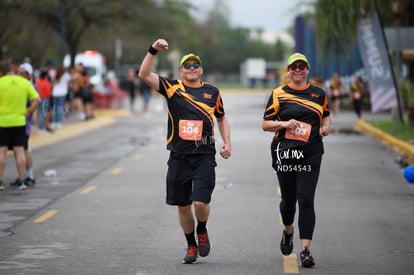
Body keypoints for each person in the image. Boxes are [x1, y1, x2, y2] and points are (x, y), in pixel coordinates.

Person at [138, 38, 231, 264]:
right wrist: (153, 50)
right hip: (178, 156)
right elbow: (143, 74)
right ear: (181, 71)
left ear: (201, 70)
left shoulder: (212, 92)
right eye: (187, 66)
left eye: (195, 66)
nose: (191, 69)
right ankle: (191, 245)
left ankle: (202, 229)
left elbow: (221, 118)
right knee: (182, 205)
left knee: (200, 202)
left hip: (204, 155)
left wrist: (226, 142)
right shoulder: (172, 88)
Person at [261, 53, 331, 268]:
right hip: (287, 152)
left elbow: (326, 114)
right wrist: (283, 124)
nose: (298, 70)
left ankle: (306, 251)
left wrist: (326, 126)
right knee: (289, 200)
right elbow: (265, 124)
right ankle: (288, 230)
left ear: (307, 69)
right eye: (294, 67)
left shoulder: (319, 94)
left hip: (311, 151)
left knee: (306, 199)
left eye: (301, 67)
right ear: (288, 71)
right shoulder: (279, 94)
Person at [0, 60, 40, 190]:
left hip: (3, 121)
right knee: (19, 150)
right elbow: (37, 100)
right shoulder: (24, 83)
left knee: (2, 150)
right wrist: (28, 112)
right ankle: (22, 180)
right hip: (20, 121)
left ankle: (0, 182)